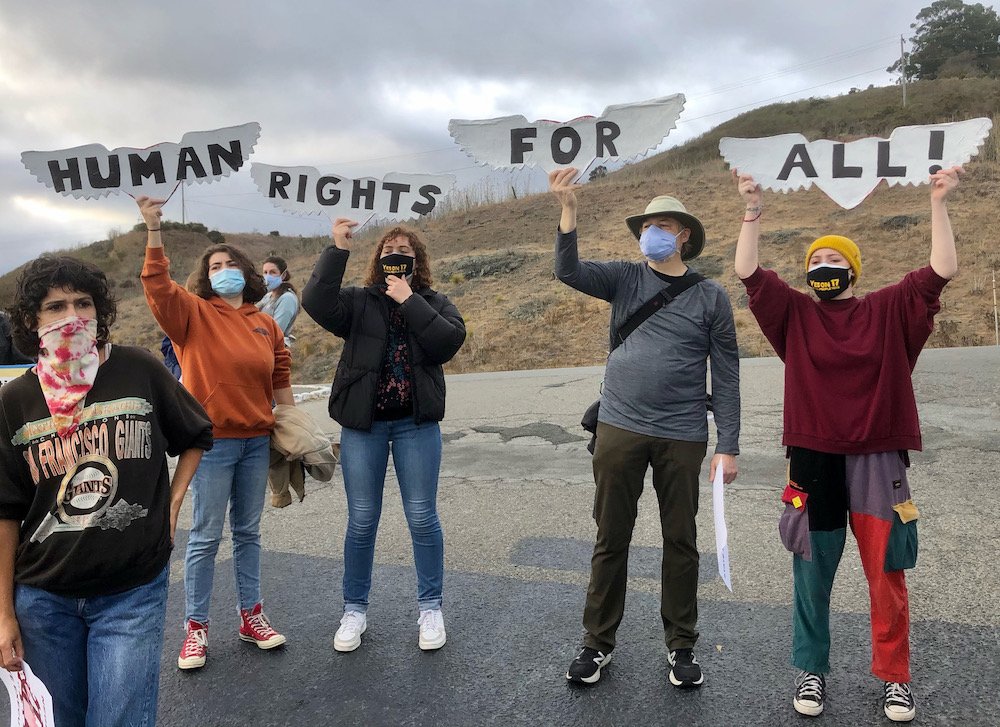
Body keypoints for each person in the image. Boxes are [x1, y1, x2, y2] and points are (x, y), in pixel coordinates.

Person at [733, 166, 963, 723]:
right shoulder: (794, 316)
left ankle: (894, 679)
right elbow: (747, 272)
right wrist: (752, 210)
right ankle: (811, 671)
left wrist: (938, 202)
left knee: (886, 572)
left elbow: (942, 270)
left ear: (853, 271)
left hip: (877, 457)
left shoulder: (888, 311)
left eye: (834, 261)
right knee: (811, 573)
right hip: (811, 458)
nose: (823, 268)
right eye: (815, 261)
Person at [0, 255, 212, 727]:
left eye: (83, 303)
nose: (72, 316)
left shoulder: (138, 369)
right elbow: (5, 511)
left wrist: (173, 505)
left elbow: (196, 433)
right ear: (32, 320)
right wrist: (3, 615)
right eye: (55, 307)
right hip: (43, 598)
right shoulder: (15, 400)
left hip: (130, 590)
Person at [549, 168, 740, 688]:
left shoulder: (711, 297)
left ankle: (681, 646)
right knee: (612, 537)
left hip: (682, 434)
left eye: (662, 224)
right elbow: (568, 272)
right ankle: (596, 643)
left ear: (683, 235)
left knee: (681, 540)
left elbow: (725, 373)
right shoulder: (624, 278)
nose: (650, 232)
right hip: (619, 427)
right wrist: (568, 212)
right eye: (646, 224)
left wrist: (730, 444)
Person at [137, 195, 294, 670]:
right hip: (212, 443)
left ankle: (251, 617)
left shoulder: (265, 322)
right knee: (205, 536)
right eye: (215, 264)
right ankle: (196, 629)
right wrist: (153, 229)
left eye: (230, 263)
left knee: (248, 532)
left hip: (255, 442)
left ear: (246, 272)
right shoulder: (192, 315)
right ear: (206, 276)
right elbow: (159, 287)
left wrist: (292, 429)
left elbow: (281, 376)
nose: (223, 269)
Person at [302, 218, 465, 653]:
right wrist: (337, 247)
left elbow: (448, 343)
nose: (397, 255)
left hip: (416, 425)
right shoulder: (357, 302)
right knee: (361, 519)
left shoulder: (434, 301)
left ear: (417, 262)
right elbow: (316, 301)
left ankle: (430, 607)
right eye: (389, 249)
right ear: (377, 259)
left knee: (421, 516)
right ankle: (354, 610)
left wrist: (410, 300)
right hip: (364, 427)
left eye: (405, 251)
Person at [258, 256, 300, 348]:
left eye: (272, 272)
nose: (267, 277)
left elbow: (276, 331)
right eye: (265, 272)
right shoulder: (267, 296)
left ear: (283, 275)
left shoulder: (287, 298)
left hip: (272, 347)